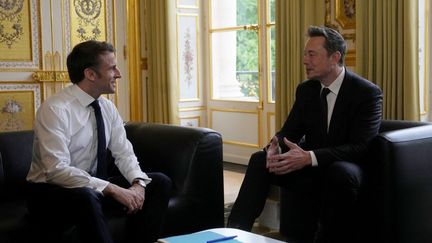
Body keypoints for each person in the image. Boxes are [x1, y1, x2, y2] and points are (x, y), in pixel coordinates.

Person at [227, 26, 383, 243]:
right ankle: (233, 232)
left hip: (348, 165)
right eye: (304, 54)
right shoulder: (306, 90)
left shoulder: (366, 93)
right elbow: (289, 132)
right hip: (310, 165)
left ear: (334, 57)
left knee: (339, 172)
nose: (304, 60)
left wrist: (309, 157)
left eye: (312, 54)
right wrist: (275, 145)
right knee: (260, 160)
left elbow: (360, 147)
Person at [26, 40, 171, 243]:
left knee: (158, 183)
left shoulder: (107, 107)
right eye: (112, 68)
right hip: (50, 192)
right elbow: (56, 170)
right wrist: (112, 188)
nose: (118, 74)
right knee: (86, 196)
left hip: (91, 185)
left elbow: (124, 153)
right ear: (90, 74)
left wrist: (138, 183)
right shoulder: (55, 109)